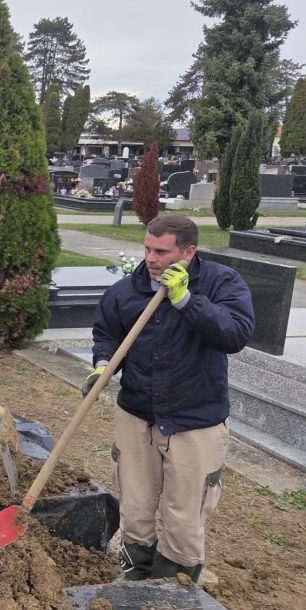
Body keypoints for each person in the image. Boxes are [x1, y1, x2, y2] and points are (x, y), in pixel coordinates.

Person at [85, 214, 254, 582]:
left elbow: (236, 334)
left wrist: (187, 301)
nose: (150, 258)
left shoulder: (222, 283)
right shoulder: (126, 291)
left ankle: (174, 590)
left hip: (194, 421)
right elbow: (107, 334)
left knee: (184, 517)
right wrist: (103, 366)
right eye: (147, 249)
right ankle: (134, 580)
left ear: (188, 252)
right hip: (137, 416)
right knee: (135, 508)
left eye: (161, 252)